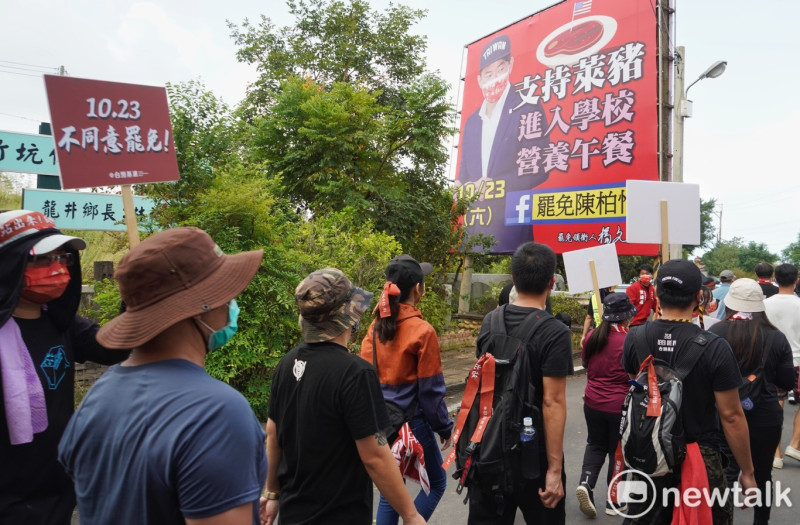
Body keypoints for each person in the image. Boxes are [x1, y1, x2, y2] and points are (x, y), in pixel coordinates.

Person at [58, 227, 267, 524]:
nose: (231, 304)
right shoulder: (217, 413)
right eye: (225, 293)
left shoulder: (99, 396)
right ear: (200, 308)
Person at [264, 268, 426, 525]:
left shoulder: (286, 364)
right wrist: (411, 514)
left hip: (292, 513)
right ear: (350, 316)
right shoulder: (355, 373)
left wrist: (272, 492)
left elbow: (273, 432)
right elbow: (375, 456)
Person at [0, 209, 127, 524]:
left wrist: (137, 299)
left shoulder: (61, 322)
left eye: (62, 259)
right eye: (42, 260)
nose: (56, 269)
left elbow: (113, 349)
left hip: (57, 486)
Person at [621, 259, 756, 524]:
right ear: (698, 297)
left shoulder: (634, 338)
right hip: (700, 460)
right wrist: (748, 472)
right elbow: (731, 416)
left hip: (648, 454)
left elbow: (638, 392)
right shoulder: (715, 347)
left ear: (657, 293)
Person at [468, 242, 573, 524]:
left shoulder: (490, 321)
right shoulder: (555, 332)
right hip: (533, 457)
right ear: (551, 282)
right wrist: (554, 470)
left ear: (513, 278)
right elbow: (552, 402)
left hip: (490, 448)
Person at [359, 255, 453, 524]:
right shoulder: (423, 331)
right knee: (436, 484)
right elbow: (431, 392)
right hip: (414, 425)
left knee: (392, 489)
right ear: (418, 289)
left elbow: (365, 378)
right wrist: (444, 428)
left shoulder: (374, 327)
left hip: (383, 424)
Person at [709, 278, 795, 525]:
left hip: (721, 414)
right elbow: (787, 381)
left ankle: (722, 520)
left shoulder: (715, 333)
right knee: (763, 472)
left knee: (724, 472)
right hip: (765, 414)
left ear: (731, 304)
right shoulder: (776, 337)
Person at [456, 34, 551, 253]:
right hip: (474, 227)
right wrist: (459, 185)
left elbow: (539, 169)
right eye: (488, 74)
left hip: (511, 226)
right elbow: (464, 171)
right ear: (479, 80)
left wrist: (496, 185)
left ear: (510, 66)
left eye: (500, 70)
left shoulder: (527, 108)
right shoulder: (471, 121)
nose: (495, 79)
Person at [575, 293, 637, 518]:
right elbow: (637, 373)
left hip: (592, 402)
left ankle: (586, 483)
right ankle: (614, 500)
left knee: (595, 444)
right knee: (617, 450)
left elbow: (584, 363)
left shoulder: (592, 336)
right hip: (619, 406)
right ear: (627, 317)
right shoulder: (630, 339)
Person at [764, 264, 800, 466]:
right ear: (796, 280)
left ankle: (775, 454)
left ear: (775, 279)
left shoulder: (765, 305)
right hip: (798, 360)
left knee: (775, 404)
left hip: (773, 361)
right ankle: (794, 444)